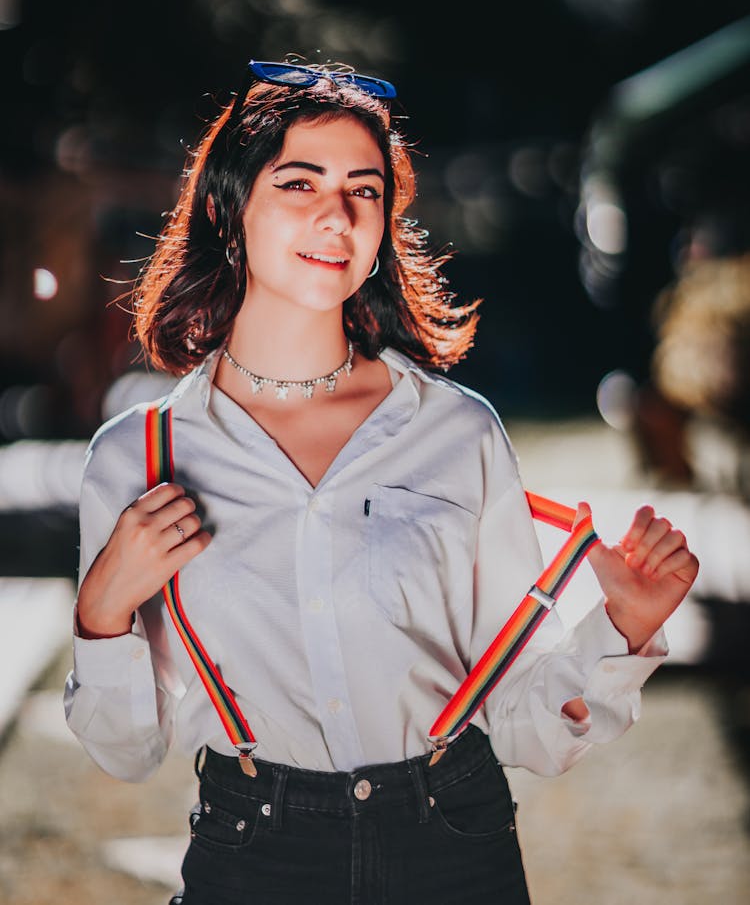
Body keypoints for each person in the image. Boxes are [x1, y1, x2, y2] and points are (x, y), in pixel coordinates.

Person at [64, 58, 699, 905]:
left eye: (364, 190)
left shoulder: (454, 431)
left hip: (454, 840)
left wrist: (621, 629)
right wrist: (102, 612)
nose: (336, 214)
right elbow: (128, 752)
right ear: (225, 206)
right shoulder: (137, 459)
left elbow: (518, 715)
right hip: (254, 853)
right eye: (298, 182)